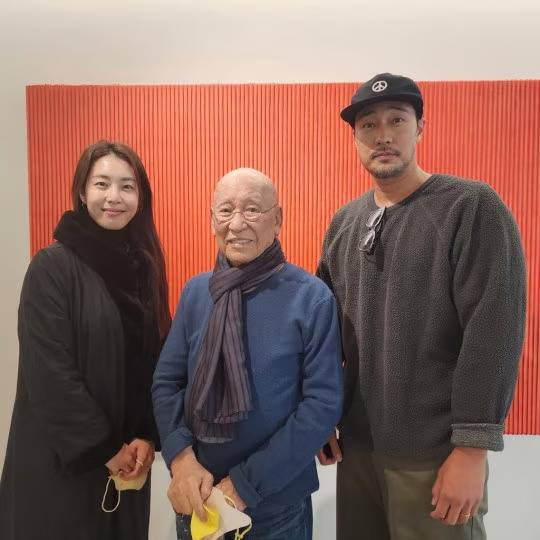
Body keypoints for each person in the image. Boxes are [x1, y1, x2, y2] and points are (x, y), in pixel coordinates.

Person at [317, 73, 526, 540]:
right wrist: (321, 416)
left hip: (436, 456)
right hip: (358, 451)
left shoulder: (470, 207)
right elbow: (324, 335)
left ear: (420, 128)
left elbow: (493, 330)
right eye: (368, 125)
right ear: (355, 138)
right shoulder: (344, 224)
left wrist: (471, 449)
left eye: (397, 120)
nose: (383, 135)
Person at [152, 167, 342, 540]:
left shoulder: (311, 298)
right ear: (212, 220)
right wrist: (181, 458)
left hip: (277, 509)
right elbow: (167, 382)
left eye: (252, 209)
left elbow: (322, 405)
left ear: (278, 219)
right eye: (225, 210)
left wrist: (243, 484)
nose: (236, 224)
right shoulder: (196, 293)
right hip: (198, 499)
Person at [0, 140, 171, 540]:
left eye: (127, 186)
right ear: (81, 192)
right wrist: (105, 449)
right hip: (62, 468)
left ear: (141, 198)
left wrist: (146, 434)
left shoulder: (144, 269)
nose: (114, 197)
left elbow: (155, 362)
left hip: (127, 468)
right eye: (102, 184)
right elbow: (50, 375)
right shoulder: (52, 267)